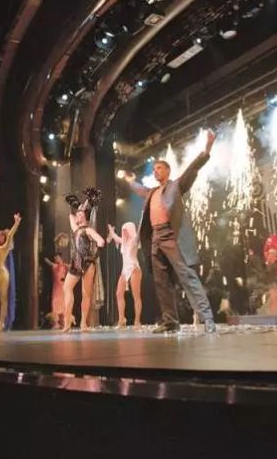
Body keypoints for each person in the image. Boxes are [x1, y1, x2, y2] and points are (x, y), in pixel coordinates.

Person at [126, 130, 217, 333]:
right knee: (161, 282)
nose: (156, 171)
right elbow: (140, 189)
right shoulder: (151, 192)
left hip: (171, 236)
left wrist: (207, 148)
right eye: (154, 169)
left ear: (167, 171)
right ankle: (170, 321)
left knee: (187, 276)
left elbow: (193, 169)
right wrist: (130, 181)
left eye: (159, 168)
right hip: (156, 239)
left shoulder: (177, 186)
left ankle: (208, 318)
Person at [62, 190, 105, 332]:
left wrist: (98, 247)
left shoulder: (88, 229)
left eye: (80, 214)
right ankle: (67, 322)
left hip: (87, 262)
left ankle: (83, 324)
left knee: (86, 294)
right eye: (77, 213)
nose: (77, 214)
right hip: (76, 262)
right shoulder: (75, 228)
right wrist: (72, 205)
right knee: (67, 288)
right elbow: (70, 216)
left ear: (85, 217)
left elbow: (101, 241)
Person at [107, 222, 142, 328]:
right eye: (123, 230)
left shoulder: (134, 240)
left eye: (126, 230)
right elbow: (115, 237)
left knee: (136, 296)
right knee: (118, 293)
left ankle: (137, 321)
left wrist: (142, 222)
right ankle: (122, 319)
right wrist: (111, 231)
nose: (124, 232)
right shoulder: (123, 242)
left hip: (134, 268)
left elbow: (139, 233)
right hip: (125, 270)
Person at [0, 213, 21, 332]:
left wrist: (16, 223)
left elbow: (10, 234)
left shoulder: (4, 248)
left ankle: (1, 323)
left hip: (3, 275)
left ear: (3, 238)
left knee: (3, 299)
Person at [44, 253, 67, 329]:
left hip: (62, 289)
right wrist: (46, 259)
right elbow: (49, 263)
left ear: (60, 258)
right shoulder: (54, 266)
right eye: (55, 258)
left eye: (57, 258)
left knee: (63, 306)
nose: (56, 259)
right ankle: (56, 323)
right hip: (56, 289)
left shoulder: (64, 266)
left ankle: (63, 323)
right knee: (55, 306)